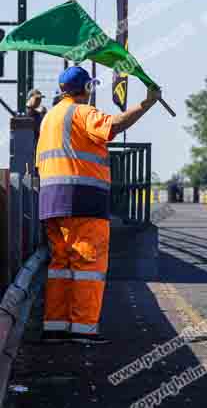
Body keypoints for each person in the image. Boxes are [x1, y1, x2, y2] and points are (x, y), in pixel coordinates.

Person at [38, 66, 161, 343]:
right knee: (87, 265)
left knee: (61, 265)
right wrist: (147, 103)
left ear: (61, 90)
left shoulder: (50, 117)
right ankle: (83, 329)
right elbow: (113, 127)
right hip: (83, 200)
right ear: (87, 89)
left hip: (51, 201)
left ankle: (55, 327)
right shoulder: (82, 112)